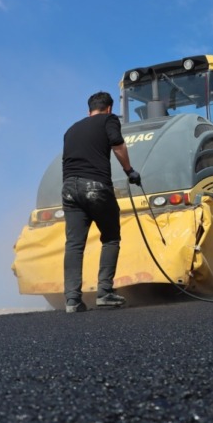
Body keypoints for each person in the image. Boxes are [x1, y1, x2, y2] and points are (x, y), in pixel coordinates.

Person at [62, 91, 141, 313]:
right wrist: (129, 171)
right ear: (108, 108)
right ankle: (105, 292)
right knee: (111, 237)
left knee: (74, 244)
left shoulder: (71, 130)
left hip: (68, 188)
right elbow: (118, 144)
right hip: (95, 186)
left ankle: (72, 300)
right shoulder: (109, 120)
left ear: (89, 111)